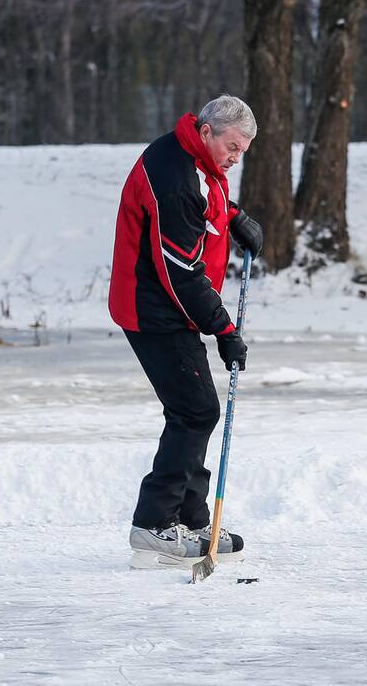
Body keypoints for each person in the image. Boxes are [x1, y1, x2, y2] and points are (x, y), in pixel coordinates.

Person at [108, 94, 264, 569]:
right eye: (233, 147)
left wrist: (232, 216)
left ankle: (190, 519)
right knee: (194, 410)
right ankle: (154, 525)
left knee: (197, 410)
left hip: (171, 307)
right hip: (154, 308)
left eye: (243, 151)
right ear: (207, 131)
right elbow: (181, 270)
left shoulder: (191, 156)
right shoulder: (175, 177)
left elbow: (206, 195)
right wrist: (225, 330)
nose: (236, 158)